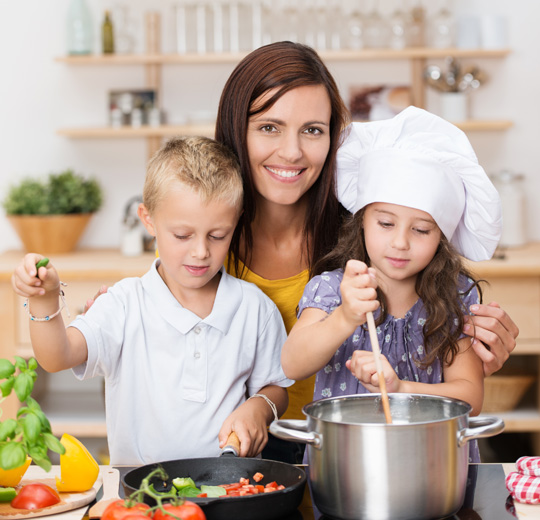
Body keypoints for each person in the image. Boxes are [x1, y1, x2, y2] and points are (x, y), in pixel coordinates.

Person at [85, 42, 519, 462]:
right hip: (232, 455)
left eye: (312, 130)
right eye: (269, 127)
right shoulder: (208, 236)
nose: (291, 152)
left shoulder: (367, 239)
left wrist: (481, 345)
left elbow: (444, 354)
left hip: (350, 452)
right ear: (238, 128)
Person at [11, 136, 293, 465]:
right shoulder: (124, 303)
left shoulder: (255, 308)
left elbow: (275, 388)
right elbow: (56, 357)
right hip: (140, 500)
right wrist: (44, 300)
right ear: (148, 220)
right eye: (182, 235)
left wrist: (260, 408)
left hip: (231, 489)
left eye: (217, 235)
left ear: (237, 221)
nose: (201, 251)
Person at [281, 106, 503, 462]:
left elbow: (470, 397)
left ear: (442, 236)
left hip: (434, 464)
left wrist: (400, 390)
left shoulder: (455, 297)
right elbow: (292, 364)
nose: (401, 242)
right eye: (386, 223)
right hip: (346, 464)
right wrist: (344, 316)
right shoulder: (331, 289)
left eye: (420, 230)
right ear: (362, 222)